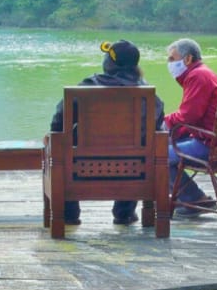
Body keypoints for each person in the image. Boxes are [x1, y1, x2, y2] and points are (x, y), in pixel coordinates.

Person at [48, 40, 165, 226]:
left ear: (110, 63)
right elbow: (159, 128)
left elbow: (57, 122)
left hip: (82, 168)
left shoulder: (87, 87)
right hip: (133, 170)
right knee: (141, 147)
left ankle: (69, 214)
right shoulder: (148, 95)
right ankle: (124, 213)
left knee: (59, 143)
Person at [164, 37, 217, 217]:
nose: (169, 63)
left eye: (172, 59)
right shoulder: (204, 73)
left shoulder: (197, 76)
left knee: (157, 155)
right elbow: (193, 119)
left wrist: (163, 123)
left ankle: (194, 199)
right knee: (167, 141)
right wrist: (171, 132)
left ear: (187, 59)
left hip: (213, 144)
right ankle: (187, 197)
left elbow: (188, 116)